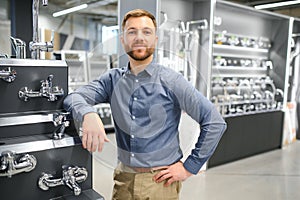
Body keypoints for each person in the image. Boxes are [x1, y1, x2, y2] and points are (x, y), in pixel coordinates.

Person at [63, 9, 226, 200]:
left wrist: (189, 167)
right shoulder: (112, 80)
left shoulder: (172, 81)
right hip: (123, 179)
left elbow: (214, 122)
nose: (139, 37)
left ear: (156, 40)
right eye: (132, 32)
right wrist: (88, 114)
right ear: (122, 40)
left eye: (146, 32)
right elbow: (73, 98)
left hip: (160, 183)